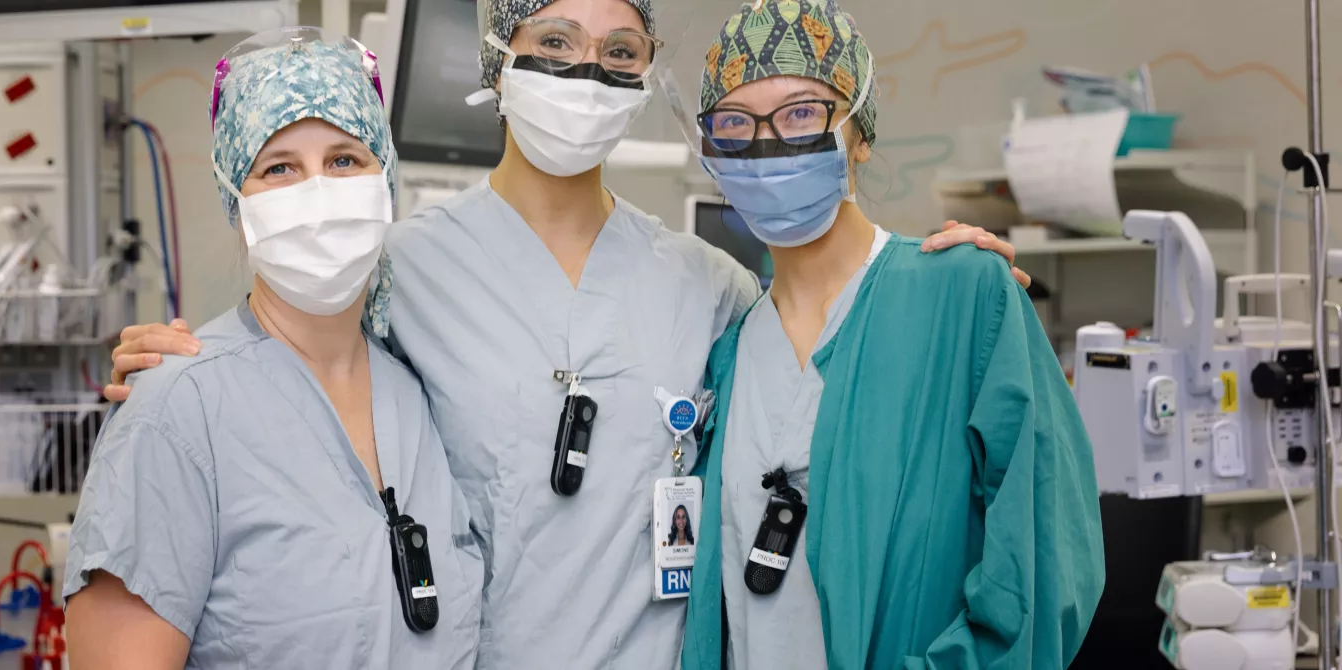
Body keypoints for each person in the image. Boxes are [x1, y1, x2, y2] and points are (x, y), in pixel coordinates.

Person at [101, 1, 1029, 667]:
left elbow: (823, 343)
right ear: (501, 54)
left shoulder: (714, 288)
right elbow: (291, 352)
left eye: (619, 49)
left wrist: (937, 277)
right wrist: (179, 370)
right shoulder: (394, 273)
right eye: (555, 40)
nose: (588, 71)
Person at [678, 2, 1106, 669]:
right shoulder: (728, 352)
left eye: (800, 113)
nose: (766, 145)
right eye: (735, 124)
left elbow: (1047, 564)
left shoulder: (963, 296)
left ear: (859, 131)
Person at [62, 30, 482, 669]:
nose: (318, 190)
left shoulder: (416, 393)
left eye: (345, 159)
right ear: (237, 200)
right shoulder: (177, 408)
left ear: (385, 179)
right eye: (279, 167)